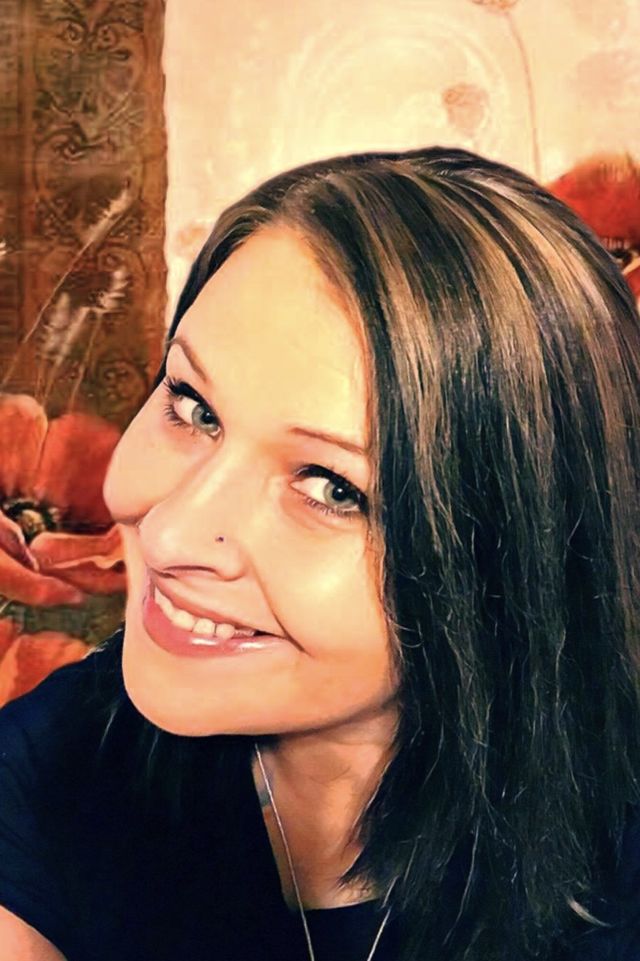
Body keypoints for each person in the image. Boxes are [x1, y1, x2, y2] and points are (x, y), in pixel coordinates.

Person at [0, 146, 639, 961]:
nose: (169, 532)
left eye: (332, 486)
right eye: (192, 406)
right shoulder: (56, 767)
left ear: (507, 564)